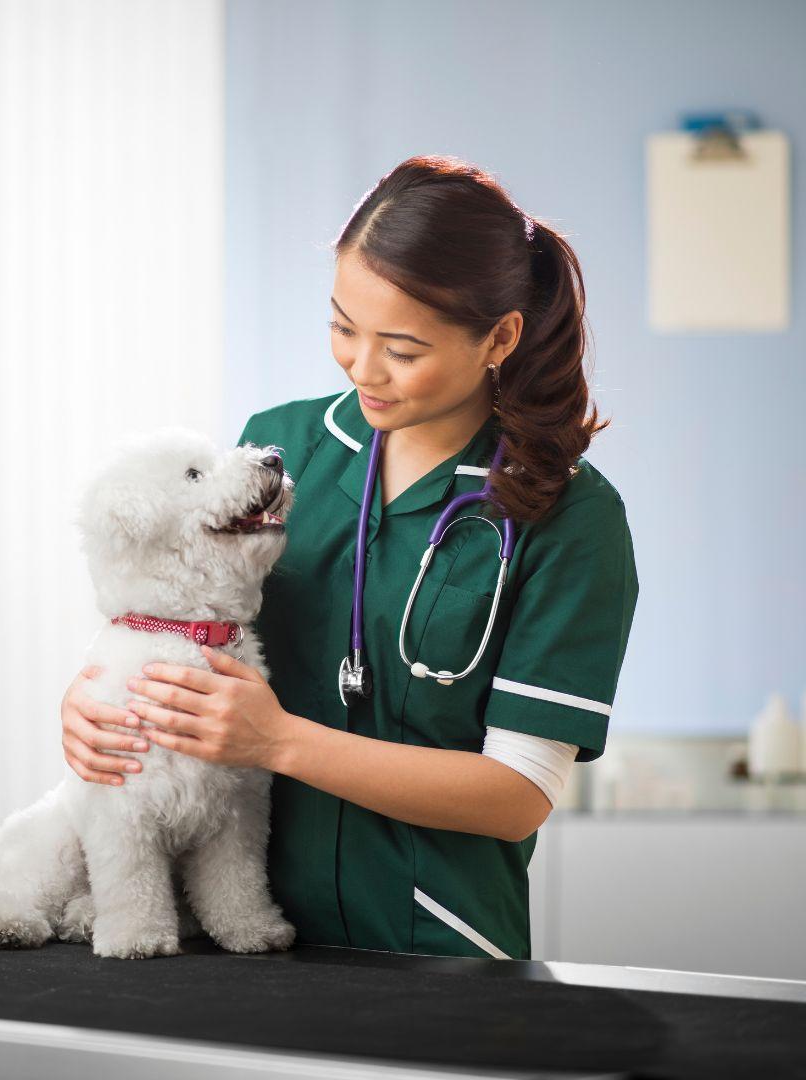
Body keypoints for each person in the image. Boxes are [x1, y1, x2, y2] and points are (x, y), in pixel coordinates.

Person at [60, 155, 639, 960]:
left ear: (500, 337)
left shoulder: (569, 517)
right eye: (343, 327)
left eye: (402, 348)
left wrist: (280, 742)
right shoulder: (282, 449)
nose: (364, 368)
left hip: (434, 947)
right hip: (234, 940)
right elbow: (171, 610)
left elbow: (517, 796)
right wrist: (97, 701)